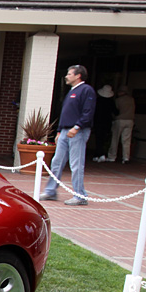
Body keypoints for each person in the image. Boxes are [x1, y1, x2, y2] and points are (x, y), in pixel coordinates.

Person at [41, 64, 96, 206]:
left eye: (69, 74)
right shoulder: (71, 91)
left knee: (76, 164)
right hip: (65, 131)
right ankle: (51, 191)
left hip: (77, 131)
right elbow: (65, 112)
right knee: (56, 162)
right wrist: (59, 131)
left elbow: (88, 112)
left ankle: (80, 195)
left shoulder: (86, 90)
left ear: (78, 76)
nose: (66, 76)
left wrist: (77, 127)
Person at [102, 85, 136, 164]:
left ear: (120, 92)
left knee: (115, 139)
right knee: (126, 140)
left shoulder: (118, 100)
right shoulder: (132, 100)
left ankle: (112, 157)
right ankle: (126, 158)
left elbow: (115, 111)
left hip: (120, 120)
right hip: (130, 120)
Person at [92, 84, 115, 159]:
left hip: (98, 121)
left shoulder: (97, 101)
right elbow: (116, 112)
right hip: (107, 122)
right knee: (104, 138)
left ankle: (98, 154)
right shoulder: (111, 102)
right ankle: (101, 153)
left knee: (98, 137)